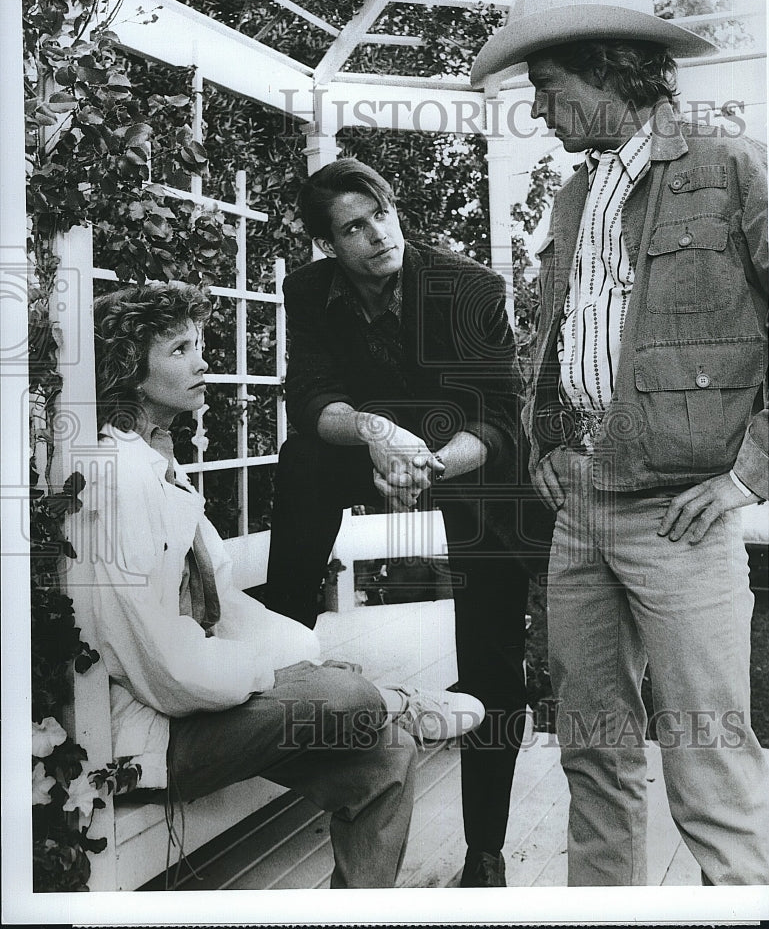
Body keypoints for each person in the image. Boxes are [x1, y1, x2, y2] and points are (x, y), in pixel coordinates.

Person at [472, 0, 769, 886]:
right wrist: (548, 440)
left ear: (607, 69)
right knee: (591, 754)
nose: (542, 113)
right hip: (580, 515)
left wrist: (746, 472)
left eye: (549, 91)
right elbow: (565, 339)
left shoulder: (730, 170)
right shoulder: (574, 196)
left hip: (684, 515)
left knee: (708, 761)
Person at [80, 281, 485, 890]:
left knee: (383, 755)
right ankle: (391, 695)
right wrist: (278, 677)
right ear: (130, 370)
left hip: (197, 704)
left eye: (200, 344)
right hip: (151, 737)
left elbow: (219, 603)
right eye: (180, 349)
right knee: (349, 700)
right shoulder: (113, 481)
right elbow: (161, 666)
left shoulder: (156, 463)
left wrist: (302, 657)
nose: (203, 360)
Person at [261, 158, 554, 887]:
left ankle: (483, 851)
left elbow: (497, 419)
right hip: (372, 444)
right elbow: (310, 398)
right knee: (301, 459)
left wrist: (427, 463)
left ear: (395, 210)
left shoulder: (470, 287)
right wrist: (374, 434)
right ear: (328, 245)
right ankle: (281, 643)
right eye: (352, 228)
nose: (375, 235)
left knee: (491, 656)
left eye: (380, 215)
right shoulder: (308, 289)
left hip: (467, 459)